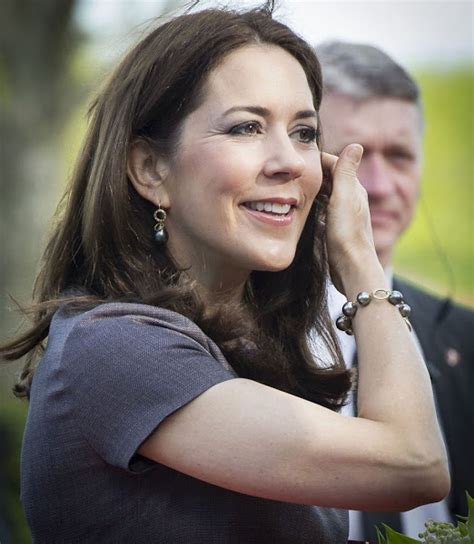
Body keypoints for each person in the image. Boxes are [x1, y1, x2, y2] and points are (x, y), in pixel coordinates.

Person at [0, 5, 450, 543]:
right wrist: (360, 262)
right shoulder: (115, 348)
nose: (289, 160)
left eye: (304, 133)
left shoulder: (249, 345)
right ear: (150, 169)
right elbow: (414, 464)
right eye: (246, 127)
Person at [315, 40, 474, 540]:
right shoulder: (236, 335)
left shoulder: (468, 340)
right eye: (352, 159)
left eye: (400, 156)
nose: (380, 186)